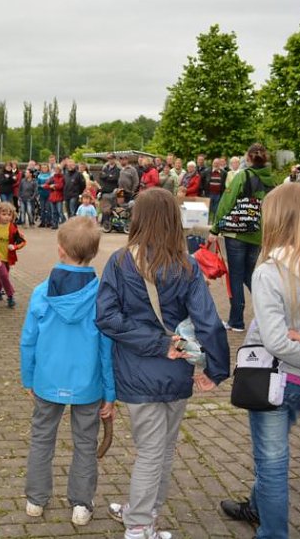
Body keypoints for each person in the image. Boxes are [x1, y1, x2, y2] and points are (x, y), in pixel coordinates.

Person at [96, 188, 230, 539]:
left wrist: (157, 344)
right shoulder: (187, 266)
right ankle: (144, 518)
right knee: (161, 450)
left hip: (138, 371)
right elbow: (209, 322)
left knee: (154, 451)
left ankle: (140, 521)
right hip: (177, 368)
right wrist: (216, 370)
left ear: (138, 218)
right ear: (174, 218)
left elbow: (106, 317)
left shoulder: (120, 262)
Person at [219, 182, 300, 538]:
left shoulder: (270, 271)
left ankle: (272, 533)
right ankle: (256, 507)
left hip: (272, 380)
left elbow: (275, 341)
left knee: (272, 463)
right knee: (272, 452)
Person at [21, 216, 115, 525]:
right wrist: (110, 392)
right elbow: (107, 350)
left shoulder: (41, 292)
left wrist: (28, 376)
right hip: (88, 385)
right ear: (94, 252)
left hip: (47, 380)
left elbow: (29, 340)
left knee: (41, 438)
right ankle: (81, 504)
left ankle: (35, 500)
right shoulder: (102, 296)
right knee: (85, 443)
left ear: (60, 249)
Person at [209, 143, 276, 332]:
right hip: (258, 234)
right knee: (249, 274)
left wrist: (215, 228)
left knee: (236, 276)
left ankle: (236, 321)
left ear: (248, 158)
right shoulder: (271, 181)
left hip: (238, 233)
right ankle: (272, 312)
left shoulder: (243, 176)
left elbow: (226, 203)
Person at [0, 201, 24, 308]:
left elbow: (22, 242)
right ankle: (10, 296)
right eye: (4, 214)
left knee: (3, 275)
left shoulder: (13, 227)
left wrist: (15, 247)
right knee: (4, 275)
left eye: (9, 214)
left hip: (8, 256)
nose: (6, 217)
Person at [44, 165, 65, 230]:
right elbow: (45, 185)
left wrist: (54, 186)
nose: (56, 170)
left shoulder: (63, 177)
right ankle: (55, 225)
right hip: (52, 197)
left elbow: (61, 186)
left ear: (60, 170)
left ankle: (65, 224)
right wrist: (50, 186)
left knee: (60, 212)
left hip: (59, 197)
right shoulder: (52, 178)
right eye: (55, 169)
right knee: (53, 212)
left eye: (57, 169)